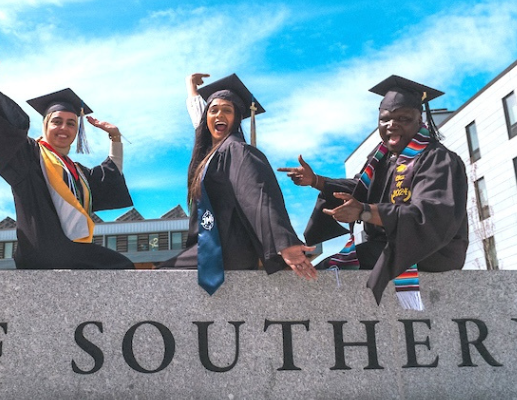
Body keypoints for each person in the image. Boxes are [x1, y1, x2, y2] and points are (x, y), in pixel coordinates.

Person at [279, 75, 468, 310]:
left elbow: (431, 213)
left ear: (421, 121)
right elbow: (360, 189)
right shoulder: (381, 159)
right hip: (384, 246)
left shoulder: (438, 159)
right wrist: (316, 180)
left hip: (432, 250)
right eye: (385, 119)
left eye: (403, 118)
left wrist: (366, 212)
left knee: (332, 270)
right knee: (331, 267)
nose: (392, 125)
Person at [0, 42, 134, 270]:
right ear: (45, 124)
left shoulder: (77, 172)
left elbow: (110, 174)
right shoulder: (29, 154)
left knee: (122, 265)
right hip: (41, 251)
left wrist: (115, 137)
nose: (63, 128)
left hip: (72, 250)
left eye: (71, 124)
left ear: (77, 131)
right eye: (56, 121)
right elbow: (5, 131)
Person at [161, 73, 316, 295]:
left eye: (227, 110)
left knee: (157, 281)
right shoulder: (210, 154)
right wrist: (191, 90)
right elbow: (199, 124)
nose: (219, 115)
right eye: (213, 110)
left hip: (226, 249)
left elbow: (258, 195)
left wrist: (284, 243)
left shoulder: (236, 149)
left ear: (236, 119)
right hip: (211, 246)